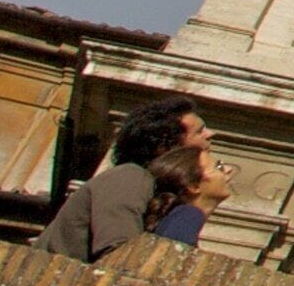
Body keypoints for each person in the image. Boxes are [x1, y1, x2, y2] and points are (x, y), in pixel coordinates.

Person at [36, 95, 209, 264]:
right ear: (163, 146)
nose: (209, 135)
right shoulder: (130, 177)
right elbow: (121, 255)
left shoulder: (153, 190)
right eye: (199, 132)